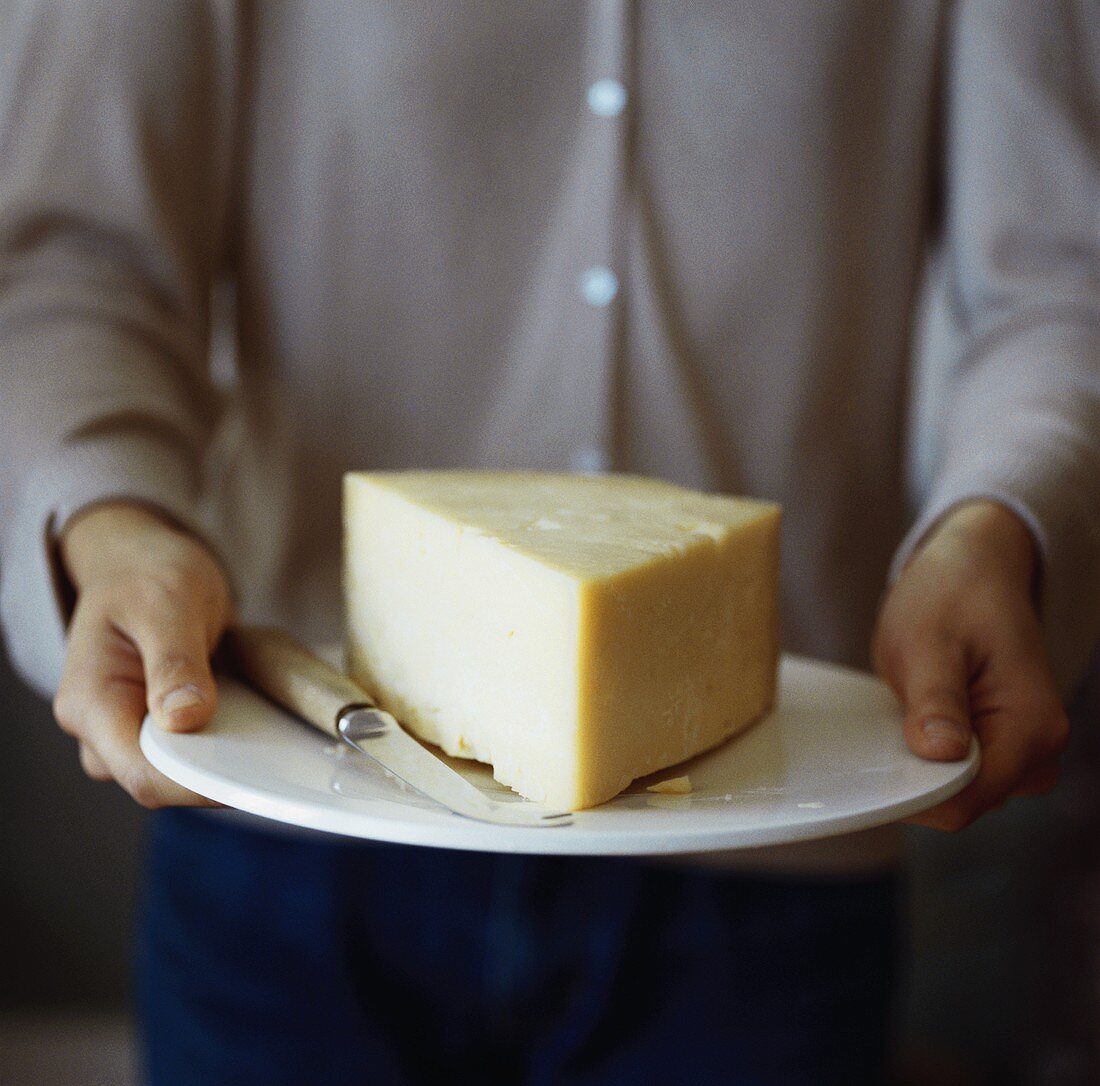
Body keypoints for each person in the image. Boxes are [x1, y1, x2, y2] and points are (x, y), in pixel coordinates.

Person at [1, 3, 1097, 1083]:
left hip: (777, 852)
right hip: (293, 814)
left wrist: (997, 524)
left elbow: (1056, 281)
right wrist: (113, 520)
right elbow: (73, 259)